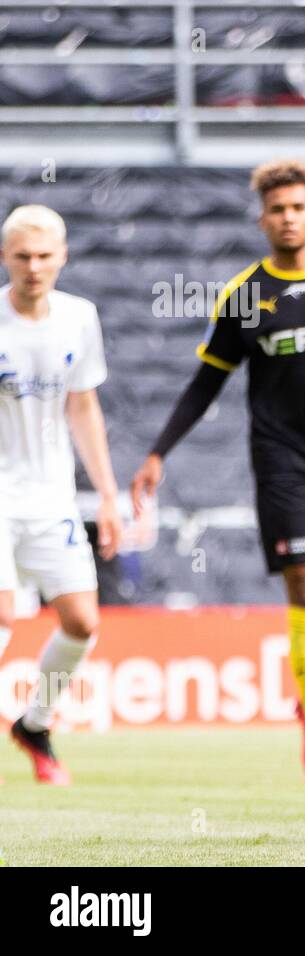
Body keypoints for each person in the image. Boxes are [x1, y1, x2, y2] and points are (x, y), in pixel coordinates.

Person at [131, 159, 305, 783]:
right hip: (281, 462)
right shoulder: (244, 296)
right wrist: (157, 454)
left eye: (298, 207)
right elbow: (206, 383)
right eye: (277, 209)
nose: (288, 218)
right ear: (263, 219)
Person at [0, 204, 123, 785]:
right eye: (22, 255)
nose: (33, 266)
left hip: (52, 498)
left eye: (44, 255)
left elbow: (83, 407)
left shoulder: (79, 317)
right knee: (3, 612)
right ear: (6, 258)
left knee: (80, 621)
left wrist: (106, 494)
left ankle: (34, 722)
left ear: (62, 257)